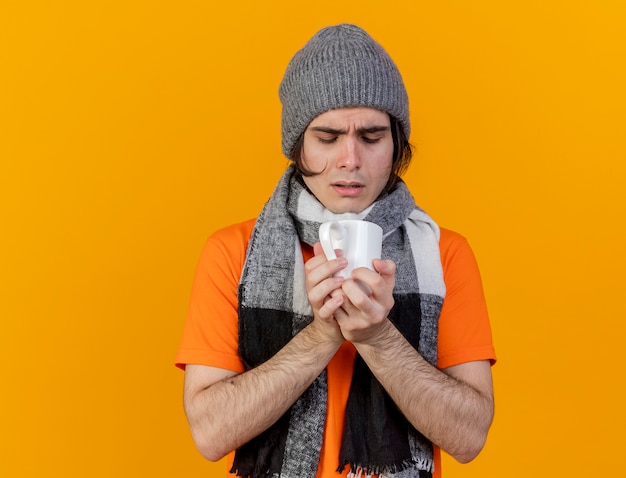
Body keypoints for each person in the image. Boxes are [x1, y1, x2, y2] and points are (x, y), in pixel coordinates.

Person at [175, 24, 496, 478]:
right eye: (327, 138)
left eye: (371, 137)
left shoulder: (444, 254)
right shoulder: (234, 253)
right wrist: (322, 334)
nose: (350, 159)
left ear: (396, 144)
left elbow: (470, 438)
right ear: (297, 145)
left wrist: (378, 337)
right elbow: (210, 434)